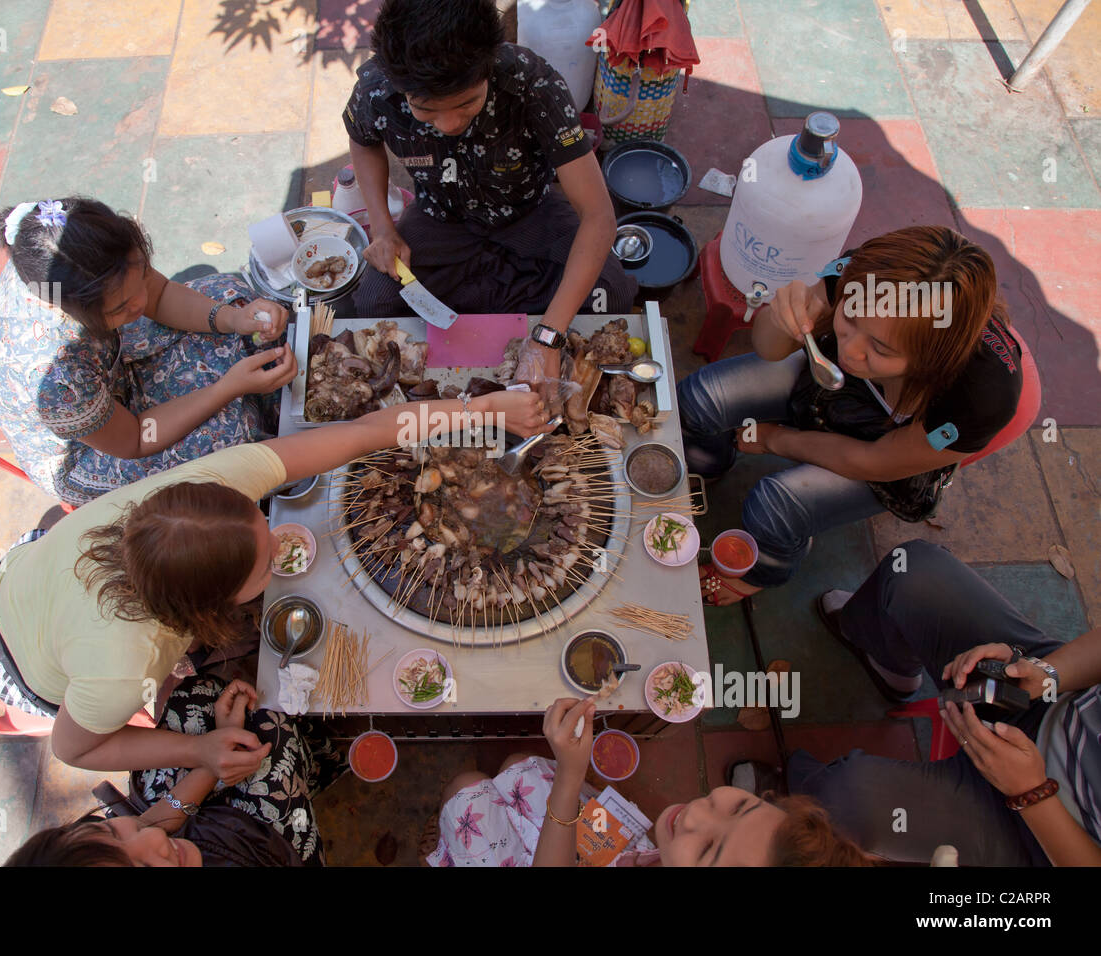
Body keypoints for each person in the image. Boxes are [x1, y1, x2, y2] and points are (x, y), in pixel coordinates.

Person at [0, 388, 550, 780]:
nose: (281, 546)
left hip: (28, 568)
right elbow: (72, 750)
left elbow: (365, 434)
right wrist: (196, 751)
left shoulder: (210, 491)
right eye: (266, 565)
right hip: (21, 656)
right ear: (209, 609)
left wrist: (485, 408)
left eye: (263, 527)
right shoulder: (123, 663)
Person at [676, 225, 1023, 605]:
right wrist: (779, 316)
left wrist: (776, 439)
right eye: (851, 318)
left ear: (933, 360)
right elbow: (769, 349)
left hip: (896, 453)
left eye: (880, 347)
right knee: (699, 397)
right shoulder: (867, 275)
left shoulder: (979, 397)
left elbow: (876, 461)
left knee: (776, 505)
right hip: (824, 389)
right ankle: (709, 461)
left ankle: (765, 569)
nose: (849, 353)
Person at [739, 539, 1101, 867]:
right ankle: (887, 662)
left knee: (841, 799)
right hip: (1054, 700)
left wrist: (1030, 792)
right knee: (911, 570)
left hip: (1039, 826)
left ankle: (792, 796)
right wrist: (1048, 673)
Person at [342, 0, 636, 394]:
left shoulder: (535, 85)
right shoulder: (376, 88)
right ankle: (515, 303)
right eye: (426, 109)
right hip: (439, 218)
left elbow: (599, 216)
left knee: (609, 292)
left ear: (489, 64)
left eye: (466, 103)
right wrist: (382, 228)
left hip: (529, 212)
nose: (448, 125)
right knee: (374, 302)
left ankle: (527, 324)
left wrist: (549, 335)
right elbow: (363, 143)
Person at [0, 196, 295, 506]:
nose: (141, 303)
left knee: (233, 296)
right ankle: (271, 433)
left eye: (140, 278)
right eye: (122, 307)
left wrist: (231, 318)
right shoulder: (57, 378)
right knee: (226, 435)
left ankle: (266, 404)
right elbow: (135, 438)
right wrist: (226, 389)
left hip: (105, 368)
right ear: (79, 310)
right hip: (99, 447)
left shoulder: (72, 249)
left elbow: (158, 296)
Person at [423, 696, 873, 866]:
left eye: (708, 852)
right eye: (740, 807)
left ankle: (450, 841)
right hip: (607, 851)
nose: (698, 814)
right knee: (519, 765)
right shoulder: (675, 841)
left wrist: (573, 775)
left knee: (465, 785)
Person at [5, 678, 343, 866]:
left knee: (194, 702)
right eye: (144, 868)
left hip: (210, 825)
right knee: (276, 746)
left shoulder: (81, 856)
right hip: (264, 853)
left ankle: (315, 764)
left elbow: (154, 822)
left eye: (114, 834)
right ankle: (310, 780)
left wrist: (212, 760)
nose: (155, 837)